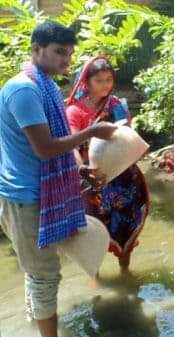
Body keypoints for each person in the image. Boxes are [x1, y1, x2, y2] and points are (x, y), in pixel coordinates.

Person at [0, 21, 116, 337]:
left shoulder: (46, 84)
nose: (65, 60)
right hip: (26, 197)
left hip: (35, 188)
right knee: (45, 274)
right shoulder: (24, 89)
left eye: (69, 53)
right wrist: (92, 131)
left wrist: (76, 170)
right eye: (58, 52)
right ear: (36, 50)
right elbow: (45, 147)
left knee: (37, 271)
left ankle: (34, 321)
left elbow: (46, 144)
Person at [65, 56, 150, 272]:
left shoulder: (117, 105)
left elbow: (127, 134)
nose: (105, 85)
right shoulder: (75, 112)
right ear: (87, 82)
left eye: (109, 79)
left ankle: (125, 269)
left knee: (127, 225)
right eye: (99, 80)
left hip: (123, 177)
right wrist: (82, 169)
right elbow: (71, 145)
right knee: (94, 231)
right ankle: (96, 274)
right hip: (93, 179)